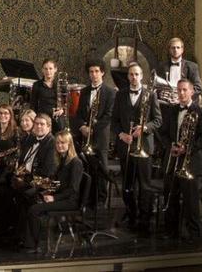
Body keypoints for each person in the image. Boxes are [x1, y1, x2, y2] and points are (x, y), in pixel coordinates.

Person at [112, 62, 162, 232]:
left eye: (137, 74)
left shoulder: (151, 95)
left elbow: (158, 120)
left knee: (145, 186)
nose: (134, 77)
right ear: (128, 77)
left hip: (144, 148)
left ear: (142, 76)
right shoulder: (120, 95)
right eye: (131, 74)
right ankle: (132, 215)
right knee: (127, 185)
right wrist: (121, 135)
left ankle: (145, 219)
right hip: (126, 146)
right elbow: (114, 120)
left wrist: (145, 128)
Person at [161, 79, 202, 243]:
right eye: (179, 90)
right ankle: (171, 231)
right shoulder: (172, 110)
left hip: (191, 163)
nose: (181, 93)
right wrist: (171, 146)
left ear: (191, 92)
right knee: (171, 197)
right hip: (173, 159)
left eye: (184, 90)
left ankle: (194, 234)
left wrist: (187, 148)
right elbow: (163, 134)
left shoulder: (201, 112)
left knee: (191, 201)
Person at [19, 130, 83, 252]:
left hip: (70, 201)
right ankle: (26, 239)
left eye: (63, 143)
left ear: (70, 144)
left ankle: (32, 245)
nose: (59, 145)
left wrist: (54, 198)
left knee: (34, 209)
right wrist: (45, 189)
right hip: (61, 196)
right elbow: (58, 183)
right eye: (58, 143)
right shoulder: (62, 160)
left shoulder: (76, 163)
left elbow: (73, 189)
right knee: (29, 199)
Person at [72, 60, 115, 204]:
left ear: (102, 72)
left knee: (101, 168)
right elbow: (78, 114)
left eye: (97, 71)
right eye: (91, 72)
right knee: (87, 167)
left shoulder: (110, 92)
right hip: (85, 136)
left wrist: (92, 129)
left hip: (100, 136)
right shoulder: (84, 91)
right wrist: (82, 127)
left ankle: (100, 199)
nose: (94, 74)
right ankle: (88, 197)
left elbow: (109, 116)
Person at [29, 59, 63, 131]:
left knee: (60, 129)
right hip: (42, 117)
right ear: (42, 70)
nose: (48, 71)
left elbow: (68, 101)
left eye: (50, 68)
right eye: (46, 69)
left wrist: (62, 110)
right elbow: (33, 103)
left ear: (55, 69)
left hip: (57, 115)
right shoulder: (37, 85)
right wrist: (34, 116)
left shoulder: (60, 84)